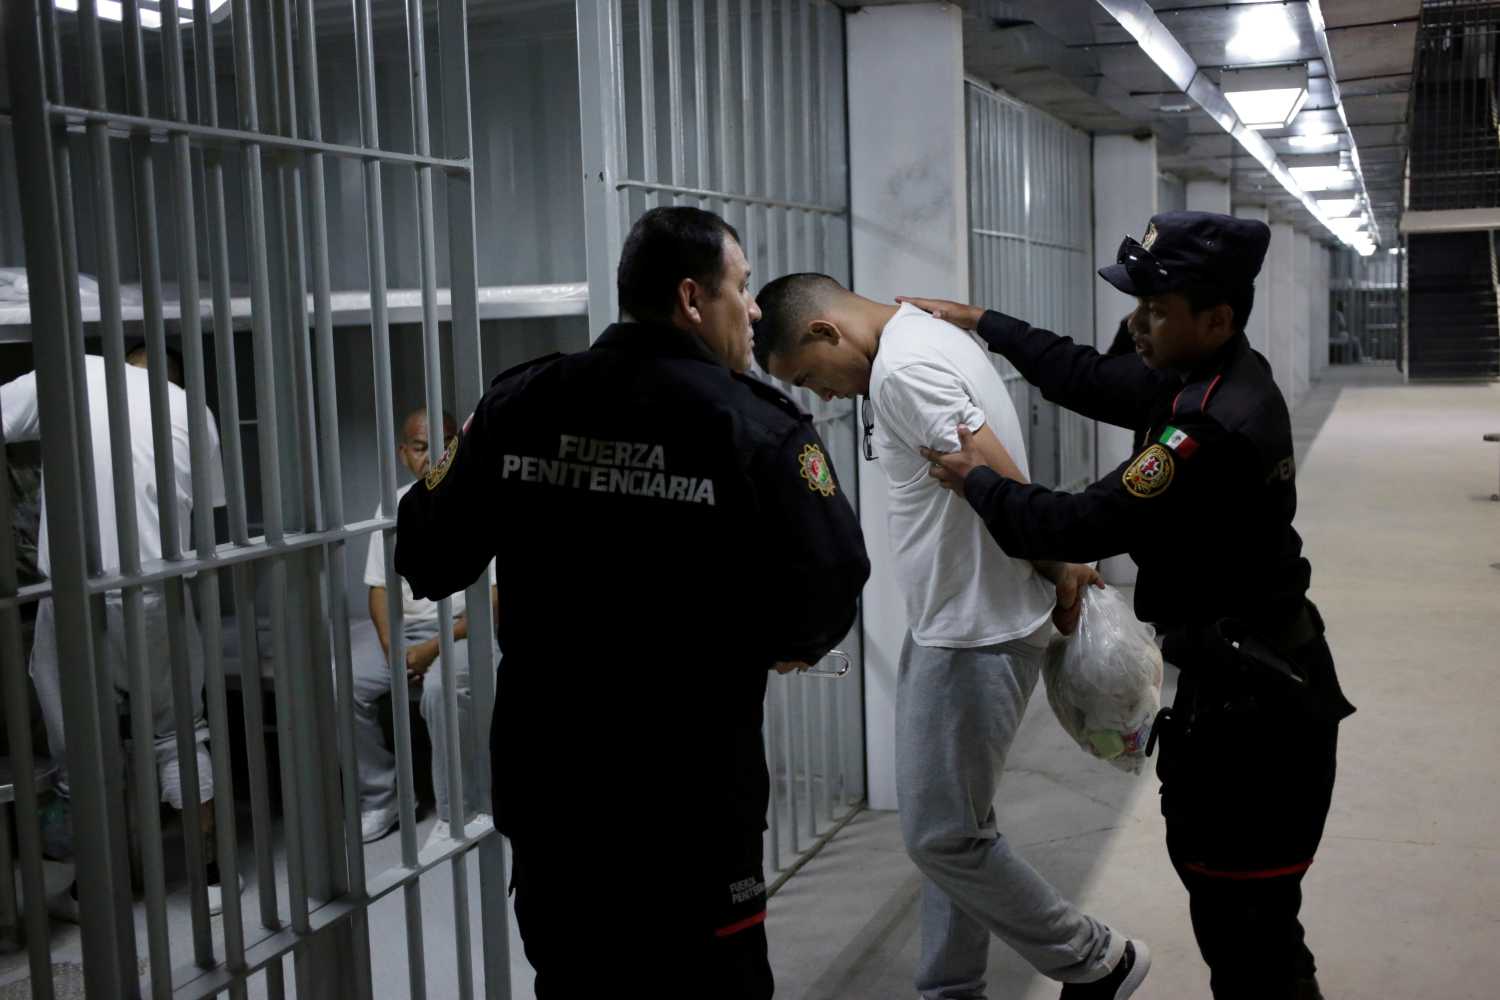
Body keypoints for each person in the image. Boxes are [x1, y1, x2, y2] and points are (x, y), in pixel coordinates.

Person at [394, 206, 870, 999]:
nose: (753, 309)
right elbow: (830, 588)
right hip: (692, 800)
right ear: (693, 298)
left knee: (578, 980)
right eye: (742, 288)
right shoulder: (758, 426)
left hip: (557, 794)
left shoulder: (520, 404)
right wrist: (776, 641)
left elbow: (429, 555)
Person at [902, 211, 1356, 1000]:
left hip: (1258, 721)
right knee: (1249, 931)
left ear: (1215, 318)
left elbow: (1080, 523)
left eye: (1154, 310)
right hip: (1247, 686)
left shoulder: (1207, 423)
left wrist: (973, 479)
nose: (1134, 326)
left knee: (1251, 942)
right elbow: (1084, 375)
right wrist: (983, 322)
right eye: (1136, 305)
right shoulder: (1204, 374)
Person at [752, 273, 1149, 1000]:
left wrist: (1060, 565)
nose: (824, 397)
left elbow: (990, 472)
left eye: (811, 378)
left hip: (974, 625)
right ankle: (952, 986)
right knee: (961, 826)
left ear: (824, 331)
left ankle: (1097, 959)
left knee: (940, 836)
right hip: (959, 612)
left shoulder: (902, 370)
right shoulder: (919, 335)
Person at [1, 343, 234, 916]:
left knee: (84, 744)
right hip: (155, 586)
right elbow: (206, 510)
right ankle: (210, 880)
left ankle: (97, 890)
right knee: (178, 730)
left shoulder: (73, 373)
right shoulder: (190, 411)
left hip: (74, 590)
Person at [354, 406, 497, 846]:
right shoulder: (396, 505)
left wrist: (429, 650)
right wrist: (391, 646)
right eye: (420, 447)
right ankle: (383, 798)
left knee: (441, 688)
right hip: (407, 634)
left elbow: (494, 603)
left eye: (446, 444)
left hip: (464, 629)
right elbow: (379, 588)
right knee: (347, 679)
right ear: (403, 453)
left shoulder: (484, 501)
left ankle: (459, 814)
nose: (433, 455)